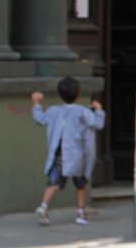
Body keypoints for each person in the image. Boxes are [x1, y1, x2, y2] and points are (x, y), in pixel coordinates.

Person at [31, 76, 105, 226]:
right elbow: (97, 124)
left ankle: (44, 206)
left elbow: (40, 119)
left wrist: (37, 104)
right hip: (77, 155)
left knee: (54, 182)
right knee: (80, 183)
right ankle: (80, 213)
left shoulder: (53, 111)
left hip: (58, 154)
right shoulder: (82, 112)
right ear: (78, 93)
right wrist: (99, 110)